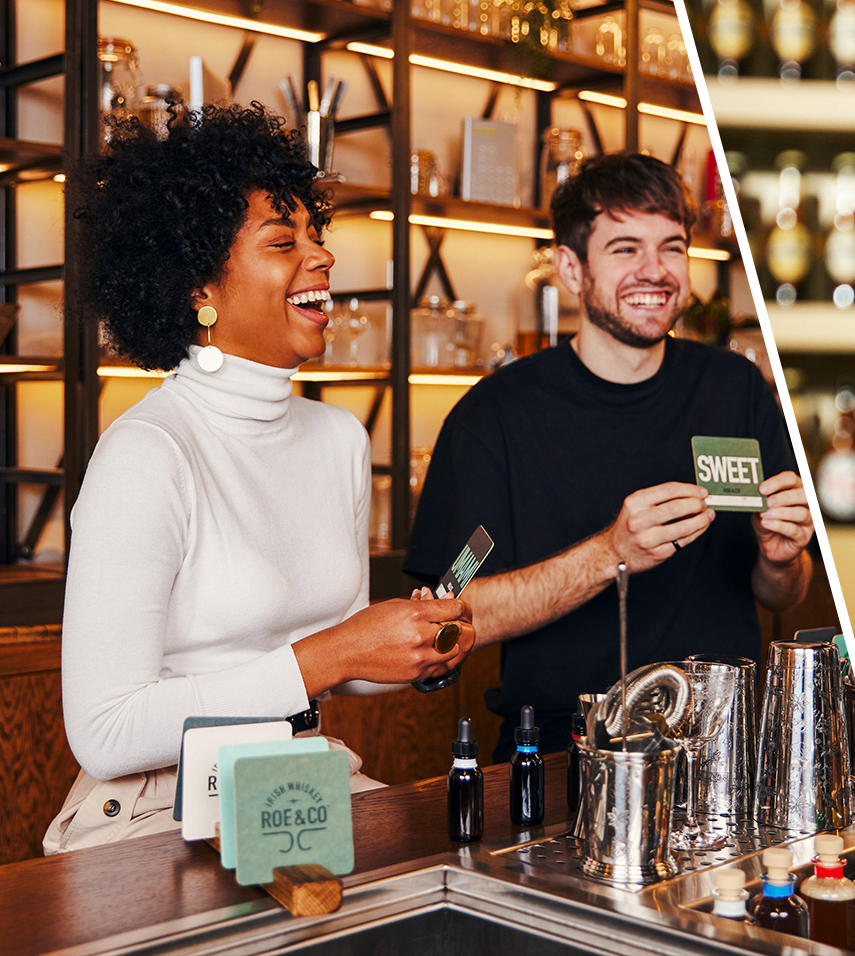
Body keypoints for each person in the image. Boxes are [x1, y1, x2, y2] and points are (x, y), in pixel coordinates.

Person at [47, 102, 475, 853]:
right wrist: (335, 655)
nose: (321, 258)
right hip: (160, 807)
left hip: (298, 780)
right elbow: (105, 731)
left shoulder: (339, 438)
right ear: (197, 288)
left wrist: (411, 647)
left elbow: (330, 662)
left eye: (317, 237)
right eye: (284, 242)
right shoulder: (147, 453)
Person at [405, 153, 815, 760]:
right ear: (571, 268)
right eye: (625, 249)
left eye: (672, 247)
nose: (655, 271)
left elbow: (784, 593)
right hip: (555, 756)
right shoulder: (493, 417)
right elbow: (452, 615)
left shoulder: (737, 389)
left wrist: (783, 559)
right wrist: (610, 554)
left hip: (724, 749)